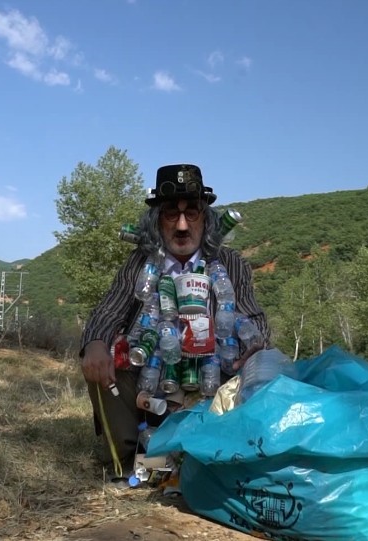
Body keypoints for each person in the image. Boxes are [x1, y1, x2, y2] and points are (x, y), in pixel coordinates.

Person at [80, 163, 271, 468]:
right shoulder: (140, 263)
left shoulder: (231, 263)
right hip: (150, 380)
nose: (182, 226)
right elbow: (109, 310)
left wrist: (255, 345)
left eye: (191, 213)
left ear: (206, 220)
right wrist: (94, 344)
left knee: (262, 369)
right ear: (157, 221)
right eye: (171, 213)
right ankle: (132, 461)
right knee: (103, 357)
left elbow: (254, 317)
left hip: (212, 378)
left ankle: (215, 454)